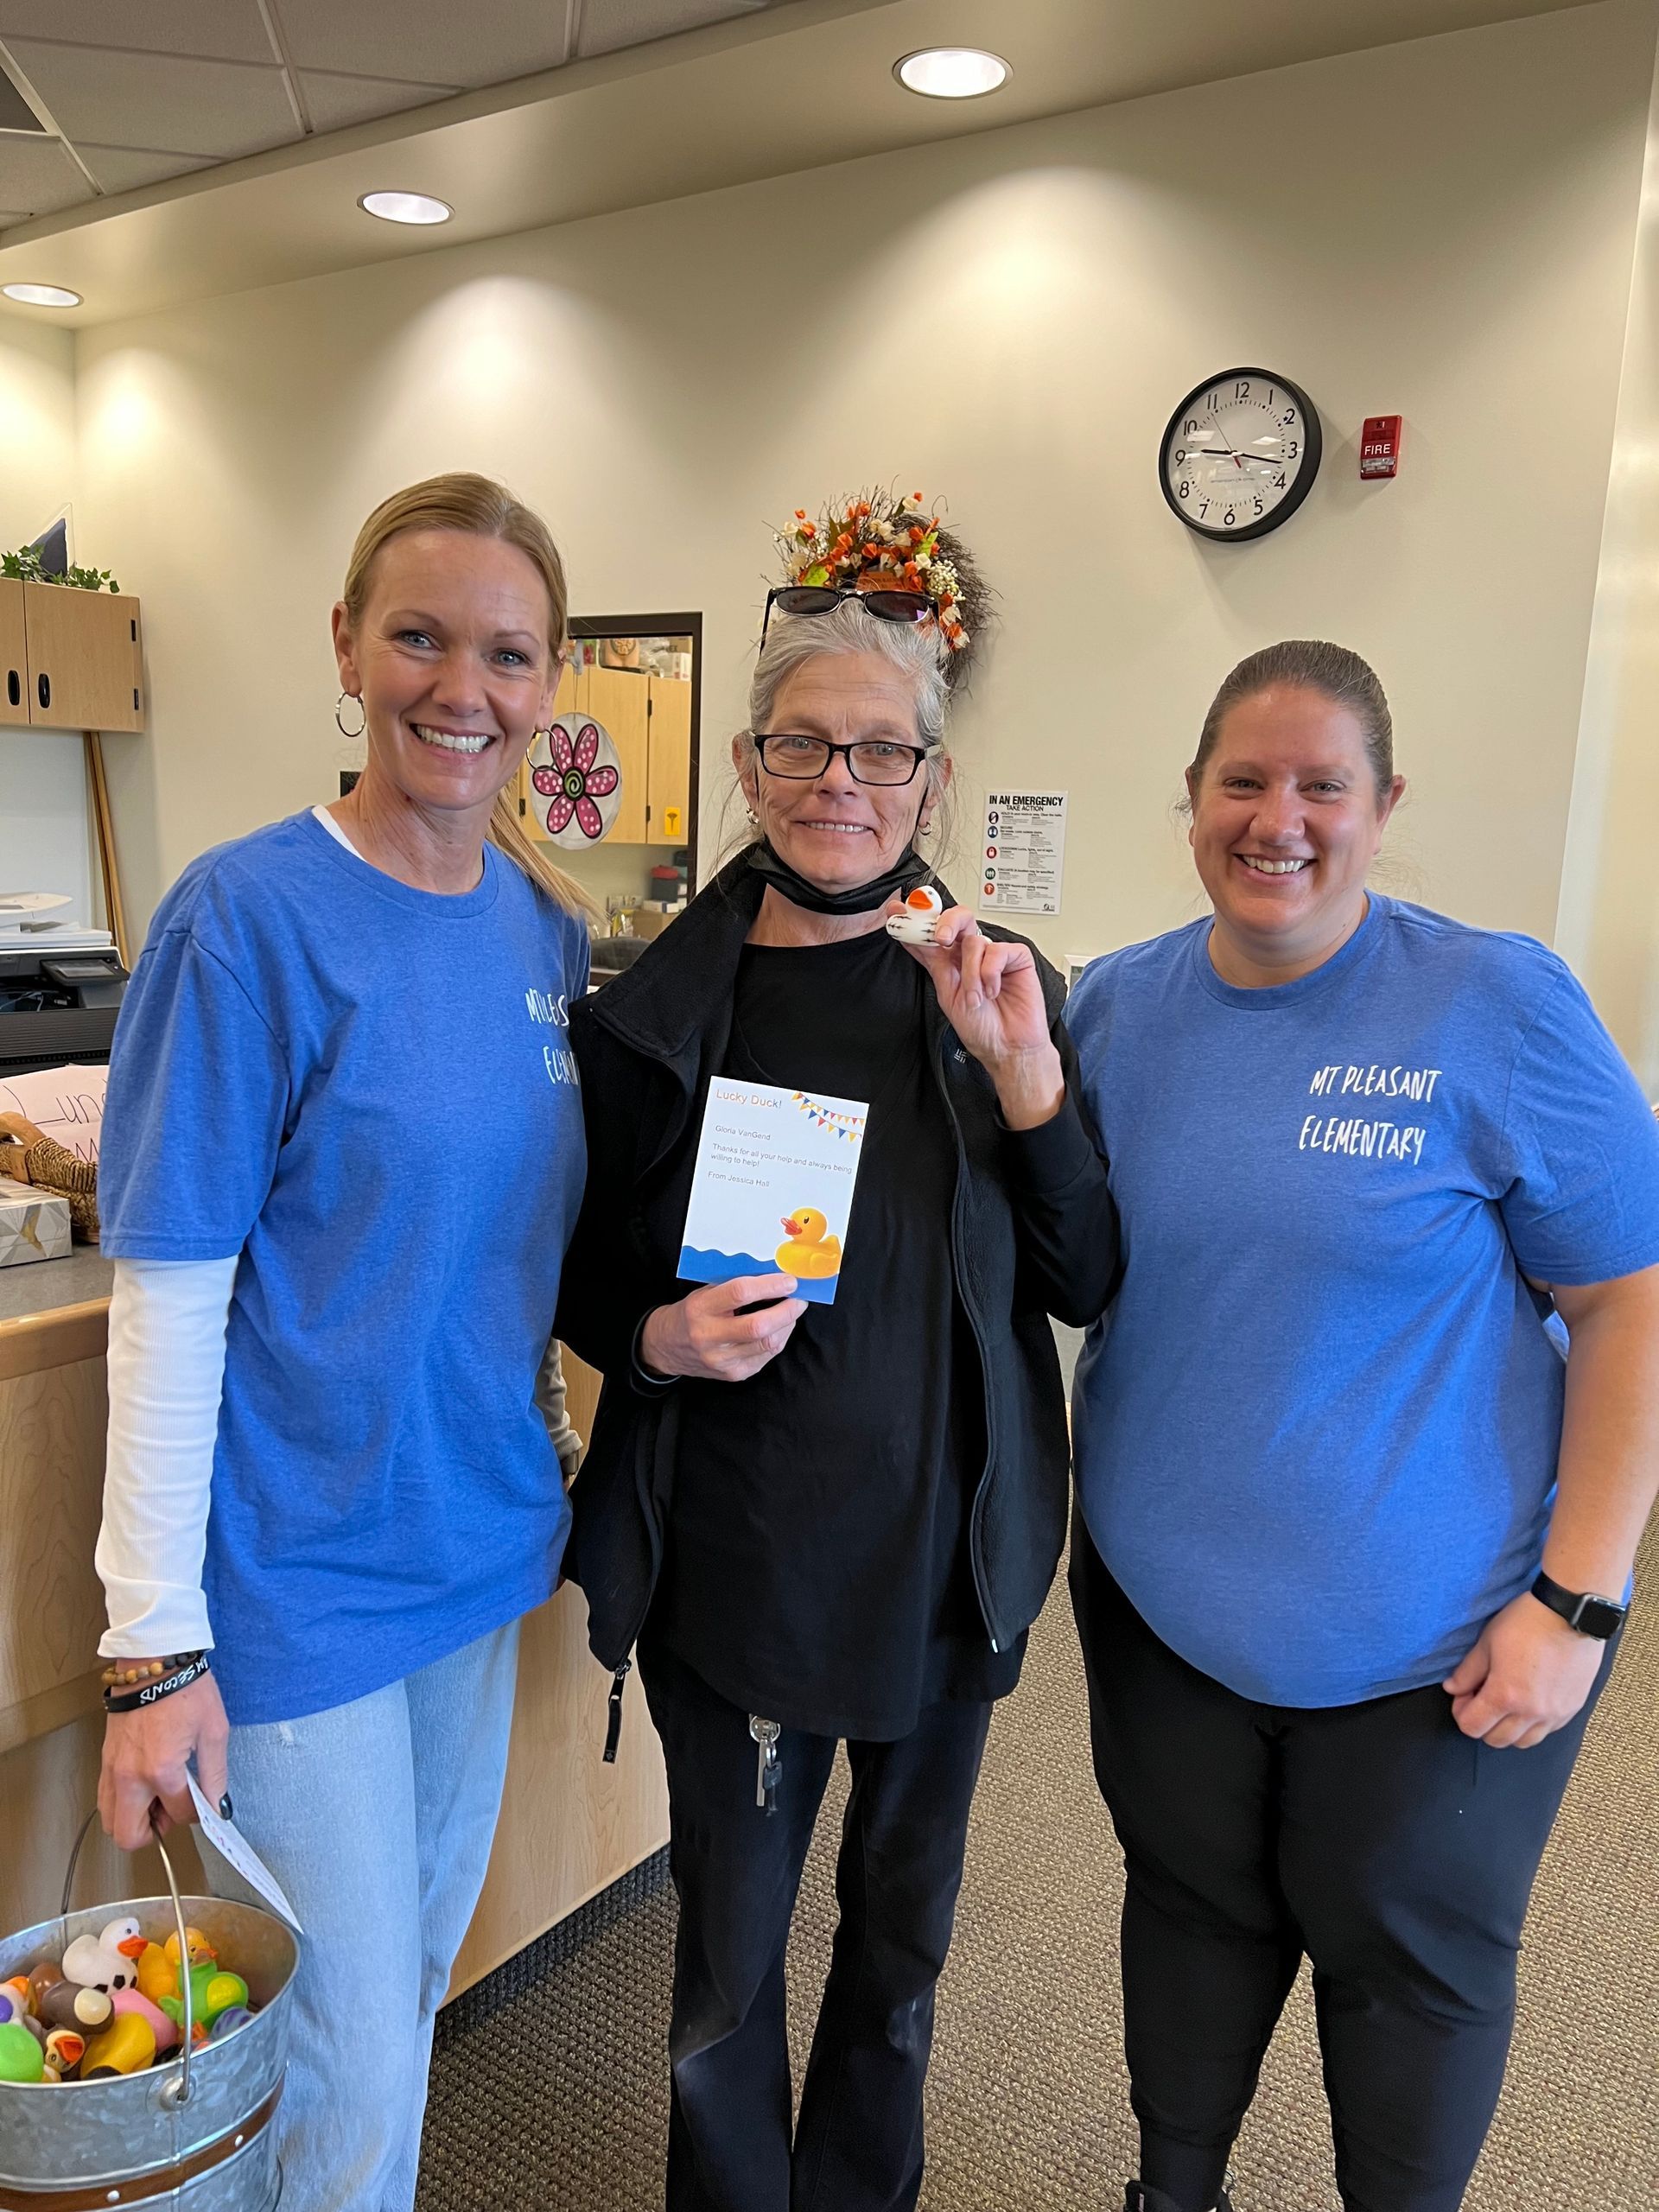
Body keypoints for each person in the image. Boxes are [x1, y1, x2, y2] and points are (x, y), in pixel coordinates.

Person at [556, 492, 1116, 2212]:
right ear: (748, 758)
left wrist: (1028, 1080)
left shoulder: (996, 982)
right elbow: (577, 1278)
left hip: (945, 1572)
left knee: (901, 1946)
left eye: (884, 751)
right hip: (742, 1570)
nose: (843, 781)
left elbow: (1085, 1269)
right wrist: (651, 1329)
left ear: (934, 783)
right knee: (726, 1967)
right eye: (807, 742)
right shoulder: (653, 1011)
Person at [1064, 639, 1659, 2212]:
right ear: (1190, 800)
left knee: (1406, 1970)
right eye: (1244, 782)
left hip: (1443, 1647)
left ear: (1384, 806)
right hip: (1162, 1613)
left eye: (1323, 785)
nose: (1281, 820)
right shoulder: (1115, 1010)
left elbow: (1630, 1306)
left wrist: (1577, 1604)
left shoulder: (1496, 1003)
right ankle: (1169, 2192)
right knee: (1190, 1917)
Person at [93, 474, 592, 2212]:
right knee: (349, 2072)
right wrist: (153, 1648)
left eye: (508, 653)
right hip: (295, 1588)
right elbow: (167, 1293)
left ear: (550, 682)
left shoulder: (546, 927)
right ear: (346, 647)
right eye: (422, 637)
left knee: (372, 2035)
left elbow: (515, 1254)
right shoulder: (248, 919)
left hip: (474, 1555)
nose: (465, 687)